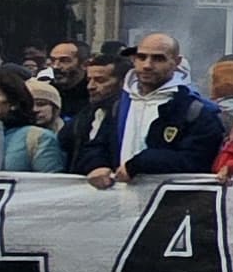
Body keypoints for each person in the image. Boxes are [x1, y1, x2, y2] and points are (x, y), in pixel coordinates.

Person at [77, 33, 219, 185]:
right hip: (117, 202)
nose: (147, 65)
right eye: (141, 57)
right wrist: (97, 165)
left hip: (168, 203)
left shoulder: (195, 109)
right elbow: (96, 145)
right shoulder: (117, 105)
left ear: (176, 62)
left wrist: (140, 164)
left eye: (158, 58)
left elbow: (197, 160)